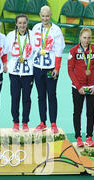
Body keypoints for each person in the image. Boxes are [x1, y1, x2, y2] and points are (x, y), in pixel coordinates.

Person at [32, 6, 65, 134]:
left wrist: (56, 68)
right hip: (37, 68)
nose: (45, 18)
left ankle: (53, 123)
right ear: (40, 15)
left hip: (50, 69)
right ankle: (42, 122)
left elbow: (59, 50)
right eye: (43, 16)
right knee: (40, 96)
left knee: (51, 95)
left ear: (50, 15)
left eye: (47, 16)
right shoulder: (35, 28)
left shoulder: (56, 30)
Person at [68, 28, 94, 148]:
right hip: (78, 87)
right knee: (77, 112)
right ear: (80, 38)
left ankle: (89, 137)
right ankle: (78, 137)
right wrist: (78, 86)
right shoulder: (73, 51)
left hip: (92, 87)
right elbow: (70, 70)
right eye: (84, 37)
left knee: (90, 113)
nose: (87, 40)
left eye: (89, 38)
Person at [6, 14, 35, 132]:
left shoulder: (32, 35)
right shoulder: (10, 36)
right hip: (14, 71)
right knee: (15, 97)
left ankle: (25, 122)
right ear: (16, 24)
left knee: (27, 98)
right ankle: (15, 122)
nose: (22, 25)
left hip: (28, 72)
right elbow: (4, 51)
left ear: (27, 23)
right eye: (20, 23)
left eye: (24, 23)